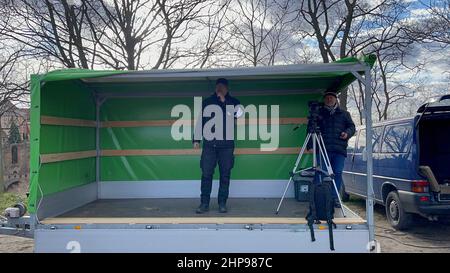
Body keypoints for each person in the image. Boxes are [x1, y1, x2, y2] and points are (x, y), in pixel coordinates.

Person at [193, 78, 241, 214]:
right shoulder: (207, 102)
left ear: (227, 89)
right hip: (209, 145)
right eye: (217, 87)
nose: (219, 89)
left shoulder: (234, 102)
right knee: (206, 174)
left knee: (225, 175)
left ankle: (222, 203)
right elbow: (200, 121)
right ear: (215, 88)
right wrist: (196, 139)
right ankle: (204, 203)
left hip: (226, 146)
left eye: (222, 87)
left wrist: (224, 101)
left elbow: (238, 115)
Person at [310, 90, 356, 208]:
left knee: (337, 173)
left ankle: (334, 198)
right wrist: (310, 145)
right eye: (327, 98)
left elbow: (352, 127)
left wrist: (347, 133)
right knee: (321, 173)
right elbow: (311, 128)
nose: (329, 99)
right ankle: (319, 198)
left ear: (336, 99)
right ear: (324, 100)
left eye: (331, 97)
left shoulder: (345, 114)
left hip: (339, 150)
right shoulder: (319, 113)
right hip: (323, 149)